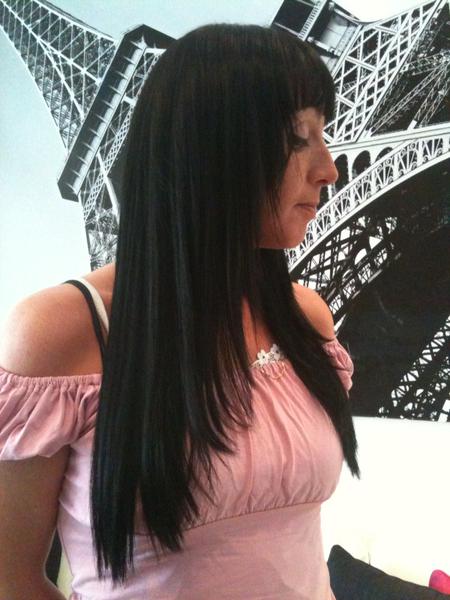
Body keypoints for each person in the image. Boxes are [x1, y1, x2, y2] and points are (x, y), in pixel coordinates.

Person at [0, 23, 360, 600]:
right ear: (213, 150)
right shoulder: (62, 331)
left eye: (326, 135)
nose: (329, 168)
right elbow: (11, 578)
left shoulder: (306, 318)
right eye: (301, 139)